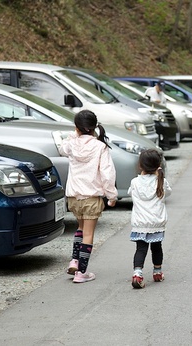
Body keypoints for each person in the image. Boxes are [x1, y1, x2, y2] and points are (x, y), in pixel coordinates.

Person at [61, 110, 117, 283]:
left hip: (73, 197)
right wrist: (111, 195)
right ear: (94, 127)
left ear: (77, 128)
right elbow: (107, 173)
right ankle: (81, 273)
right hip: (91, 196)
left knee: (80, 228)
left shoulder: (72, 144)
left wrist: (73, 134)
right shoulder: (100, 147)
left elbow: (62, 148)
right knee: (88, 234)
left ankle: (75, 261)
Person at [128, 149, 172, 289]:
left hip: (140, 223)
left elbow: (130, 193)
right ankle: (157, 272)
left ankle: (137, 273)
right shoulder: (161, 181)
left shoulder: (135, 182)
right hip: (156, 223)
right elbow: (169, 193)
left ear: (140, 166)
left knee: (140, 249)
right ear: (158, 165)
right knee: (156, 247)